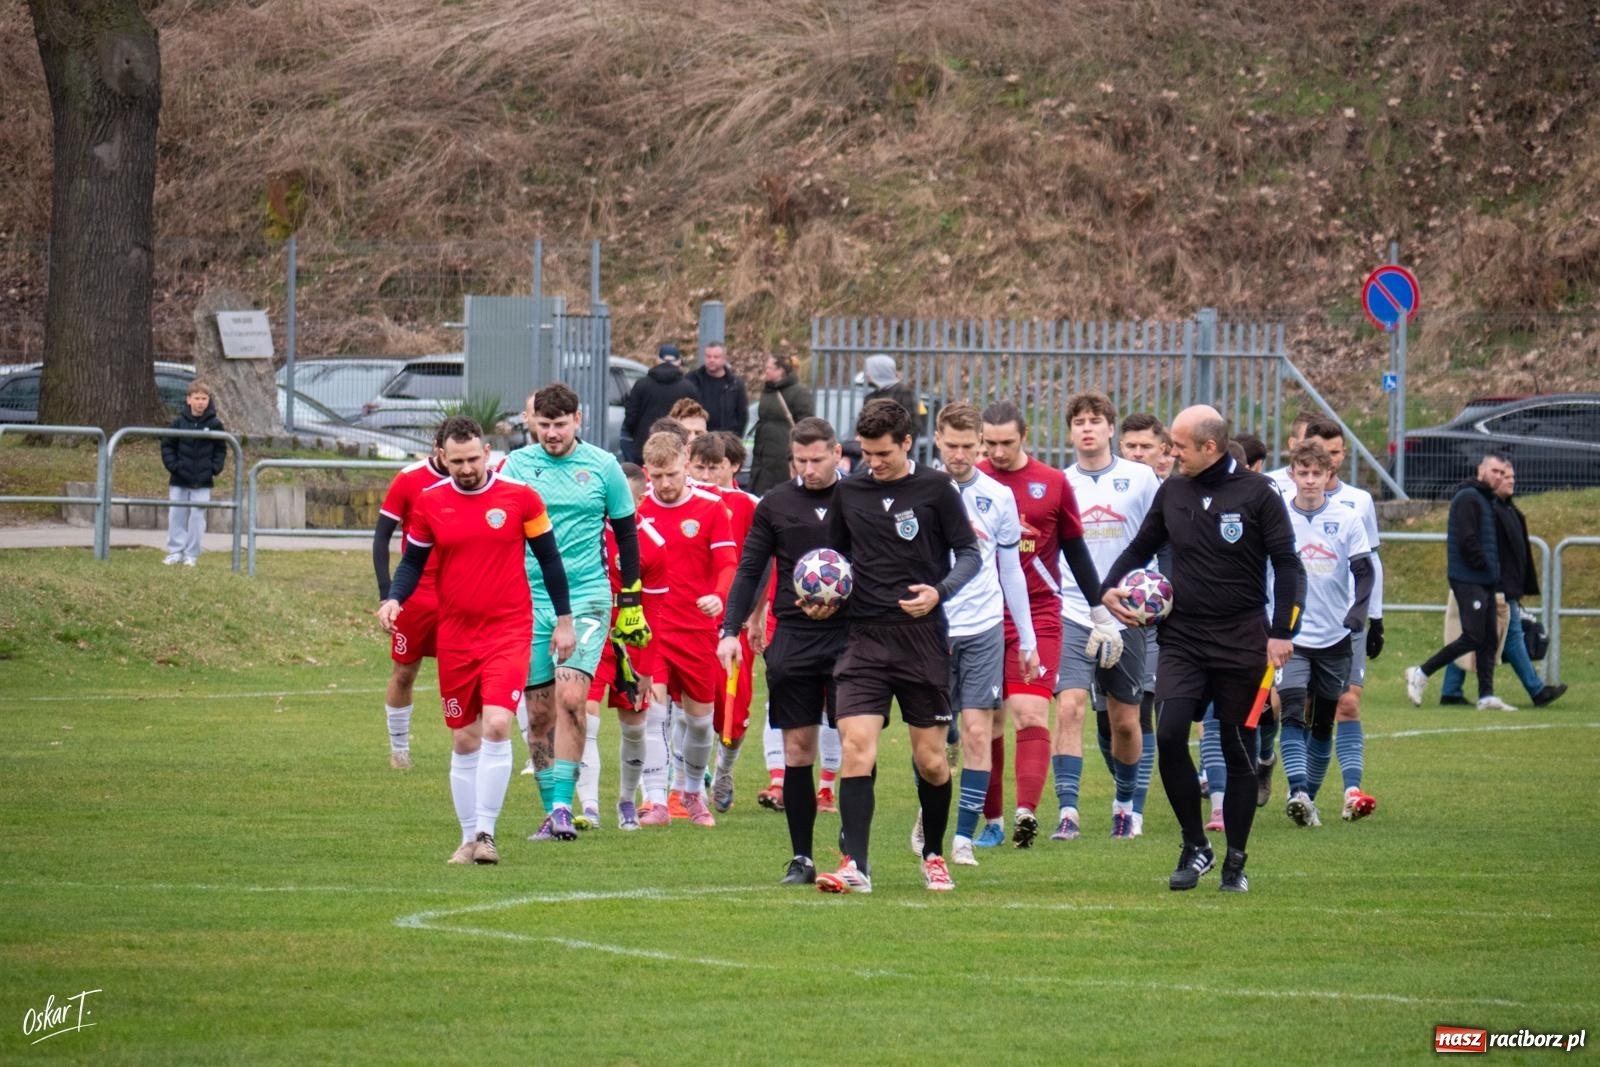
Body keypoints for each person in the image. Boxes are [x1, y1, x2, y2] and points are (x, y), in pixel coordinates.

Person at [1100, 405, 1304, 894]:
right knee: (1168, 735)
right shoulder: (1172, 491)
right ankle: (1195, 845)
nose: (1171, 453)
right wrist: (1108, 587)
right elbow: (1139, 546)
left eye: (1179, 445)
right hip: (1183, 639)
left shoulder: (1258, 495)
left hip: (1242, 642)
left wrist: (1282, 631)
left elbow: (1289, 566)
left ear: (1209, 448)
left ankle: (1235, 860)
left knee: (1238, 750)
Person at [377, 416, 574, 866]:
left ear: (488, 453)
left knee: (499, 726)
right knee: (464, 740)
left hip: (508, 629)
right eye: (456, 460)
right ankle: (468, 840)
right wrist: (394, 599)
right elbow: (411, 563)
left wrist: (564, 620)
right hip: (456, 635)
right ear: (442, 457)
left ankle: (487, 833)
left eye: (473, 458)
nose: (466, 468)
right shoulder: (430, 503)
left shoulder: (520, 498)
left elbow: (550, 560)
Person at [812, 398, 982, 894]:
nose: (873, 462)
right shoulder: (852, 491)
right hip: (863, 637)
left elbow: (970, 553)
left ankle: (933, 853)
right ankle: (856, 865)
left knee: (931, 760)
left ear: (907, 443)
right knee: (856, 748)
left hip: (921, 640)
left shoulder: (935, 489)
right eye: (866, 452)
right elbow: (835, 558)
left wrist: (939, 591)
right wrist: (824, 599)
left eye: (883, 453)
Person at [500, 384, 644, 841]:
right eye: (543, 425)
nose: (552, 433)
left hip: (586, 596)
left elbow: (626, 537)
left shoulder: (602, 467)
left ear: (578, 420)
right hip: (528, 599)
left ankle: (566, 804)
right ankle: (550, 810)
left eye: (560, 424)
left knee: (571, 698)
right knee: (538, 713)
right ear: (532, 423)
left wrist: (632, 600)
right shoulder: (516, 467)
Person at [901, 403, 1039, 868]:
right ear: (937, 440)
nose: (960, 455)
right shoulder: (916, 490)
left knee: (979, 732)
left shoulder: (998, 496)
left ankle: (961, 837)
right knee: (931, 741)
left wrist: (1027, 638)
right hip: (928, 629)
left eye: (968, 446)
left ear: (980, 443)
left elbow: (1010, 569)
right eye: (952, 445)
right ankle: (930, 812)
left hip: (982, 626)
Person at [718, 416, 853, 884]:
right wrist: (730, 629)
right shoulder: (776, 504)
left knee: (857, 745)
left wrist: (846, 599)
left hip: (850, 638)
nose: (809, 469)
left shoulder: (858, 499)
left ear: (838, 454)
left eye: (818, 460)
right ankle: (801, 857)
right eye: (801, 461)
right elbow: (750, 567)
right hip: (793, 636)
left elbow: (877, 566)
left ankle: (853, 851)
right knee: (798, 748)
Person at [976, 400, 1115, 848]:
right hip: (981, 615)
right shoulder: (968, 483)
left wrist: (1098, 611)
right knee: (986, 722)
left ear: (1025, 437)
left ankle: (1025, 815)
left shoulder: (1052, 483)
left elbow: (1076, 550)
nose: (997, 452)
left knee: (1030, 712)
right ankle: (992, 821)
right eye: (990, 443)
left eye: (1007, 443)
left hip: (1037, 615)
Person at [1060, 393, 1160, 839]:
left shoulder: (1140, 478)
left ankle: (1125, 804)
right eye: (1078, 421)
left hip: (1128, 612)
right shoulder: (1061, 483)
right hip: (1073, 608)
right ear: (1070, 432)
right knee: (1070, 706)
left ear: (1110, 429)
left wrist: (1157, 597)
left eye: (1095, 421)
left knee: (1125, 719)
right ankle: (1068, 811)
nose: (1087, 428)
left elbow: (1164, 537)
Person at [635, 431, 738, 827]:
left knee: (699, 720)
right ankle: (656, 800)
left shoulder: (712, 508)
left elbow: (729, 563)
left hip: (697, 630)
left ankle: (692, 793)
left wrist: (718, 595)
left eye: (673, 474)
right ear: (648, 472)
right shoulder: (638, 513)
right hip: (653, 631)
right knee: (654, 713)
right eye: (658, 476)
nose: (665, 484)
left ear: (685, 463)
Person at [1274, 441, 1376, 828]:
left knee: (1323, 723)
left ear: (1329, 475)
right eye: (1304, 473)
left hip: (1336, 636)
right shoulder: (1279, 519)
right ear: (1294, 475)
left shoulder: (1347, 519)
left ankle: (1308, 800)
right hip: (1291, 637)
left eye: (1318, 473)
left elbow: (1365, 571)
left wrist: (1360, 612)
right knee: (1294, 711)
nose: (1311, 480)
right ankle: (1297, 789)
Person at [1300, 418, 1385, 822]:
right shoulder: (1284, 499)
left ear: (1340, 459)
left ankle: (1351, 789)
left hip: (1346, 622)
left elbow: (1371, 565)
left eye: (1332, 456)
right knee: (1299, 707)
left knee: (1347, 704)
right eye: (1317, 454)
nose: (1323, 464)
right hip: (1297, 626)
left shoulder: (1358, 503)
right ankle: (1301, 791)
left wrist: (1374, 616)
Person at [1440, 459, 1568, 708]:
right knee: (1506, 636)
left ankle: (1451, 690)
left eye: (1510, 476)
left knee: (1473, 636)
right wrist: (1491, 577)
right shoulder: (1487, 508)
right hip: (1491, 584)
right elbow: (1478, 545)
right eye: (1501, 474)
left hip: (1500, 583)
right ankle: (1536, 689)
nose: (1508, 480)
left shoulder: (1505, 509)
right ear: (1485, 473)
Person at [1404, 455, 1516, 711]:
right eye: (1494, 471)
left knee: (1488, 638)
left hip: (1485, 579)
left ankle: (1486, 695)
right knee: (1473, 636)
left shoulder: (1486, 499)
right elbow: (1467, 541)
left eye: (1502, 472)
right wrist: (1486, 566)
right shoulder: (1468, 498)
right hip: (1468, 578)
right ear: (1481, 470)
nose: (1498, 476)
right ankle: (1421, 672)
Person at [372, 426, 448, 770]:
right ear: (437, 448)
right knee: (405, 671)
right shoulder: (408, 479)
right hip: (415, 594)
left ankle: (471, 748)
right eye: (448, 453)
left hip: (458, 594)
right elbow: (381, 538)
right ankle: (399, 749)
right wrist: (388, 595)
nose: (459, 464)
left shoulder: (479, 479)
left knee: (467, 672)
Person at [160, 380, 227, 568]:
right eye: (197, 398)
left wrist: (214, 468)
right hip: (180, 478)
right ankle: (175, 552)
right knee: (177, 514)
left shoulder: (215, 424)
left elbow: (221, 449)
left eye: (204, 398)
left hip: (203, 480)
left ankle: (192, 555)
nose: (200, 402)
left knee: (197, 517)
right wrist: (174, 466)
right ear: (188, 400)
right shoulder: (178, 423)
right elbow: (167, 445)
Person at [621, 344, 699, 463]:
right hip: (677, 448)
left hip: (645, 447)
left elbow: (630, 417)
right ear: (678, 362)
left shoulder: (642, 384)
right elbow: (695, 417)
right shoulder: (688, 387)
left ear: (658, 360)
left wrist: (637, 436)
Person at [749, 355, 814, 495]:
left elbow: (806, 424)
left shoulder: (799, 393)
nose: (765, 371)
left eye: (769, 368)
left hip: (783, 454)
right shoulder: (768, 391)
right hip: (763, 453)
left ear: (781, 371)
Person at [687, 341, 749, 436]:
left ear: (724, 359)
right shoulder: (692, 380)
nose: (711, 360)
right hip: (698, 437)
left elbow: (742, 415)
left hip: (726, 440)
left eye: (716, 357)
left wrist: (736, 438)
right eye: (708, 356)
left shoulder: (735, 384)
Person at [862, 354, 923, 439]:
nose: (866, 373)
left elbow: (913, 424)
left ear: (880, 371)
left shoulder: (904, 393)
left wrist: (898, 444)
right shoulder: (870, 397)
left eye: (869, 370)